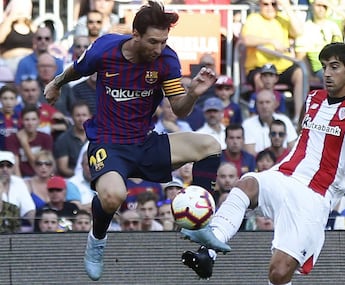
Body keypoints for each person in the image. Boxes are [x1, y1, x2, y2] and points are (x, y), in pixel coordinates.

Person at [180, 43, 345, 283]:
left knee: (279, 273)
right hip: (285, 175)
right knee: (247, 183)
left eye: (335, 67)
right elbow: (305, 130)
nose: (327, 74)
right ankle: (208, 252)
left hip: (315, 194)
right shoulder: (314, 98)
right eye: (324, 68)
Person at [44, 2, 221, 281]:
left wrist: (194, 93)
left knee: (210, 146)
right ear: (135, 34)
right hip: (108, 143)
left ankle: (196, 223)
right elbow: (77, 69)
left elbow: (179, 109)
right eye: (153, 41)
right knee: (114, 196)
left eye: (164, 41)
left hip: (145, 142)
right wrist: (56, 83)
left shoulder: (167, 60)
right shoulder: (105, 49)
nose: (158, 48)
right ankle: (97, 239)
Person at [241, 0, 304, 122]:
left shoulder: (282, 18)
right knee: (260, 79)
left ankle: (298, 118)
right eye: (266, 4)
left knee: (300, 73)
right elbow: (246, 39)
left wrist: (286, 6)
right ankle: (263, 117)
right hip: (260, 67)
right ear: (260, 4)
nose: (270, 7)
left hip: (282, 67)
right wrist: (271, 41)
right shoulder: (253, 19)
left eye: (274, 4)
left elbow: (299, 32)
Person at [295, 0, 343, 84]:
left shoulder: (333, 26)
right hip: (319, 68)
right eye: (318, 6)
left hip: (336, 65)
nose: (321, 9)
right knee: (332, 75)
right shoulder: (305, 28)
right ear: (312, 6)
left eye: (324, 6)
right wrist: (309, 76)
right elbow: (301, 55)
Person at [243, 89, 298, 155]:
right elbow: (250, 154)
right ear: (256, 105)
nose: (264, 106)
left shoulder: (285, 120)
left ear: (275, 104)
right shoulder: (247, 124)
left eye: (268, 102)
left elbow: (293, 149)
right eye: (261, 103)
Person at [5, 104, 54, 177]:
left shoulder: (46, 138)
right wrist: (20, 184)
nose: (30, 123)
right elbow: (15, 166)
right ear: (21, 121)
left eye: (33, 119)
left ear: (39, 121)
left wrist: (24, 144)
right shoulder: (12, 139)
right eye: (27, 120)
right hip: (21, 177)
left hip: (41, 176)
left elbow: (42, 166)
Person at [0, 150, 36, 232]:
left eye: (8, 166)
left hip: (14, 229)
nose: (5, 169)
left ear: (13, 168)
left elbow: (29, 210)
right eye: (1, 166)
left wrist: (37, 228)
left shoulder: (18, 182)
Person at [53, 102, 91, 178]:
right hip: (73, 180)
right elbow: (63, 168)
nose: (81, 119)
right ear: (72, 117)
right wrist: (82, 175)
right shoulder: (63, 139)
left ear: (90, 117)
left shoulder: (98, 137)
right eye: (78, 115)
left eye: (84, 115)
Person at [0, 0, 35, 74]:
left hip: (29, 62)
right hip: (11, 62)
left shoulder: (31, 26)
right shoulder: (7, 25)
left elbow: (38, 40)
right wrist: (10, 18)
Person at [0, 85, 19, 150]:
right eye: (5, 98)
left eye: (11, 98)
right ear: (0, 99)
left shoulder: (21, 116)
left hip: (16, 154)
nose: (8, 102)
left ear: (16, 101)